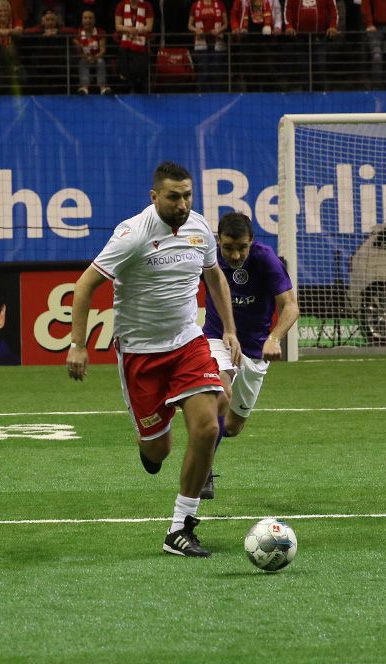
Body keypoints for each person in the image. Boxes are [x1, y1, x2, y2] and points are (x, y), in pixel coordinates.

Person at [66, 162, 241, 558]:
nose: (182, 204)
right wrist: (78, 344)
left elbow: (214, 277)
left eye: (188, 195)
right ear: (155, 197)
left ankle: (181, 527)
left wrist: (228, 330)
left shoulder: (199, 229)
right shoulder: (132, 235)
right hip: (141, 354)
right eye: (174, 196)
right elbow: (84, 285)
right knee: (157, 451)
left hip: (187, 344)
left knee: (208, 424)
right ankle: (151, 449)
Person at [199, 212, 299, 500]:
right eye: (228, 247)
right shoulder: (207, 256)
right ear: (218, 241)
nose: (235, 254)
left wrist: (274, 338)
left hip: (256, 349)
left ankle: (209, 432)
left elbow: (290, 307)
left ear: (251, 241)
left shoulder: (266, 259)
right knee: (220, 392)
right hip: (218, 338)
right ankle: (204, 467)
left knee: (232, 427)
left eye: (241, 247)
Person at [114, 0, 154, 93]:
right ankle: (130, 87)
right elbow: (118, 26)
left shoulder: (147, 5)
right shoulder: (121, 5)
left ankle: (138, 87)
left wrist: (137, 30)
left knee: (140, 67)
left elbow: (149, 27)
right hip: (125, 45)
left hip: (141, 45)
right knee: (126, 67)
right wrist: (128, 29)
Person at [188, 0, 228, 92]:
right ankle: (202, 96)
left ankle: (217, 96)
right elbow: (189, 25)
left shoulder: (220, 4)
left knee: (216, 73)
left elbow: (226, 24)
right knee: (203, 72)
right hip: (201, 44)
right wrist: (196, 29)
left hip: (217, 44)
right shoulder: (195, 5)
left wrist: (219, 30)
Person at [75, 8, 112, 94]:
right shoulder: (78, 33)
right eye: (85, 18)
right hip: (85, 57)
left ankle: (103, 88)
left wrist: (94, 58)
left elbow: (103, 50)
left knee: (100, 61)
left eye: (90, 18)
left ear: (94, 20)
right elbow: (79, 51)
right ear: (82, 20)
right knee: (83, 62)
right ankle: (84, 88)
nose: (88, 20)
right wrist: (86, 57)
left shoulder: (100, 32)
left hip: (97, 56)